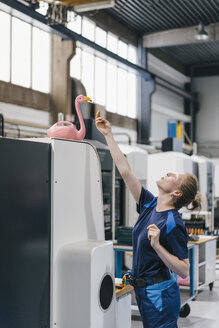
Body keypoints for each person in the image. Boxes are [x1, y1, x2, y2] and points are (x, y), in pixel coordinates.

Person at [95, 111, 201, 328]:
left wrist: (158, 246)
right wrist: (108, 135)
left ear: (177, 193)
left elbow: (183, 269)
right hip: (144, 291)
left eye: (175, 177)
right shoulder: (149, 204)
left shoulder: (173, 223)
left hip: (159, 295)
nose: (169, 173)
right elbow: (125, 171)